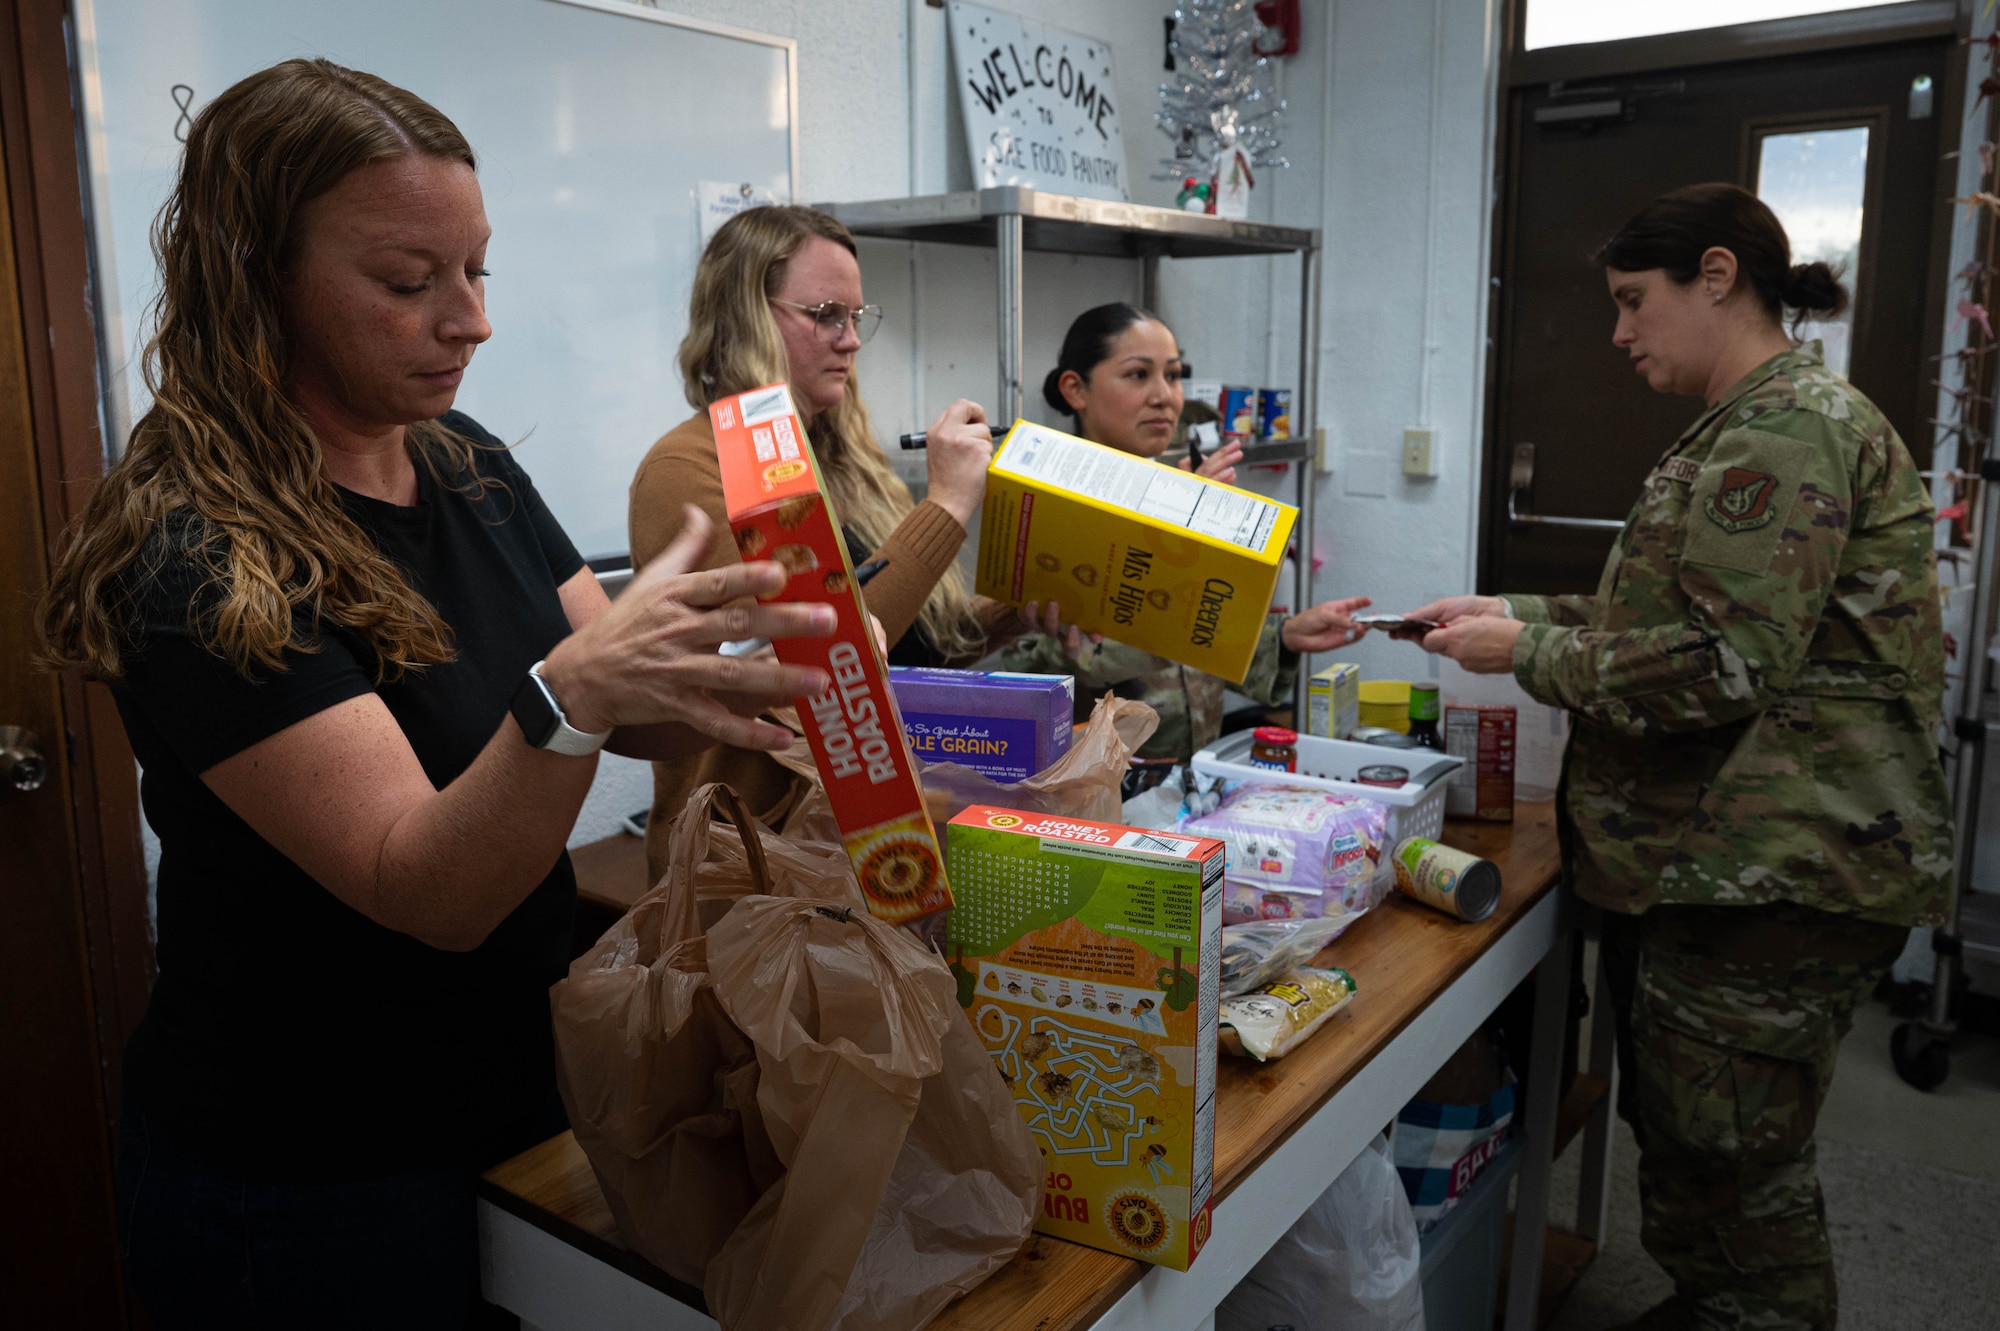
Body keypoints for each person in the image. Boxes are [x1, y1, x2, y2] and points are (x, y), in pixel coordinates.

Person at [37, 60, 834, 1328]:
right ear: (258, 280)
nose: (469, 320)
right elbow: (434, 887)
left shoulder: (465, 462)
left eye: (476, 272)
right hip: (304, 1176)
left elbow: (622, 695)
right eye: (411, 283)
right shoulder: (196, 554)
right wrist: (572, 698)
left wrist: (771, 688)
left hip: (512, 1092)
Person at [1403, 183, 1953, 1331]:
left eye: (1629, 301)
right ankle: (1715, 1302)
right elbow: (1664, 614)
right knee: (1694, 1134)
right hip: (1725, 862)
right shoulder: (1744, 423)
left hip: (1777, 866)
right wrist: (1504, 608)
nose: (1615, 333)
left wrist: (1526, 652)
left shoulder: (1783, 429)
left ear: (1715, 275)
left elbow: (1722, 661)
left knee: (1739, 1156)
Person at [629, 206, 1067, 876]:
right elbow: (821, 663)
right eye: (828, 313)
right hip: (743, 861)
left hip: (850, 843)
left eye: (858, 318)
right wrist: (946, 505)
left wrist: (1016, 614)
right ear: (747, 313)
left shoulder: (839, 458)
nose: (851, 340)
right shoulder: (689, 468)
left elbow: (906, 637)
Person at [999, 302, 1372, 764]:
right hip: (1096, 799)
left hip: (1194, 777)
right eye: (1138, 375)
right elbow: (1026, 671)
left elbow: (1200, 632)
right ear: (1076, 389)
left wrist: (1284, 636)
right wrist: (1171, 531)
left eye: (1173, 376)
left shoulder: (1182, 485)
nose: (1165, 397)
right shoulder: (1044, 511)